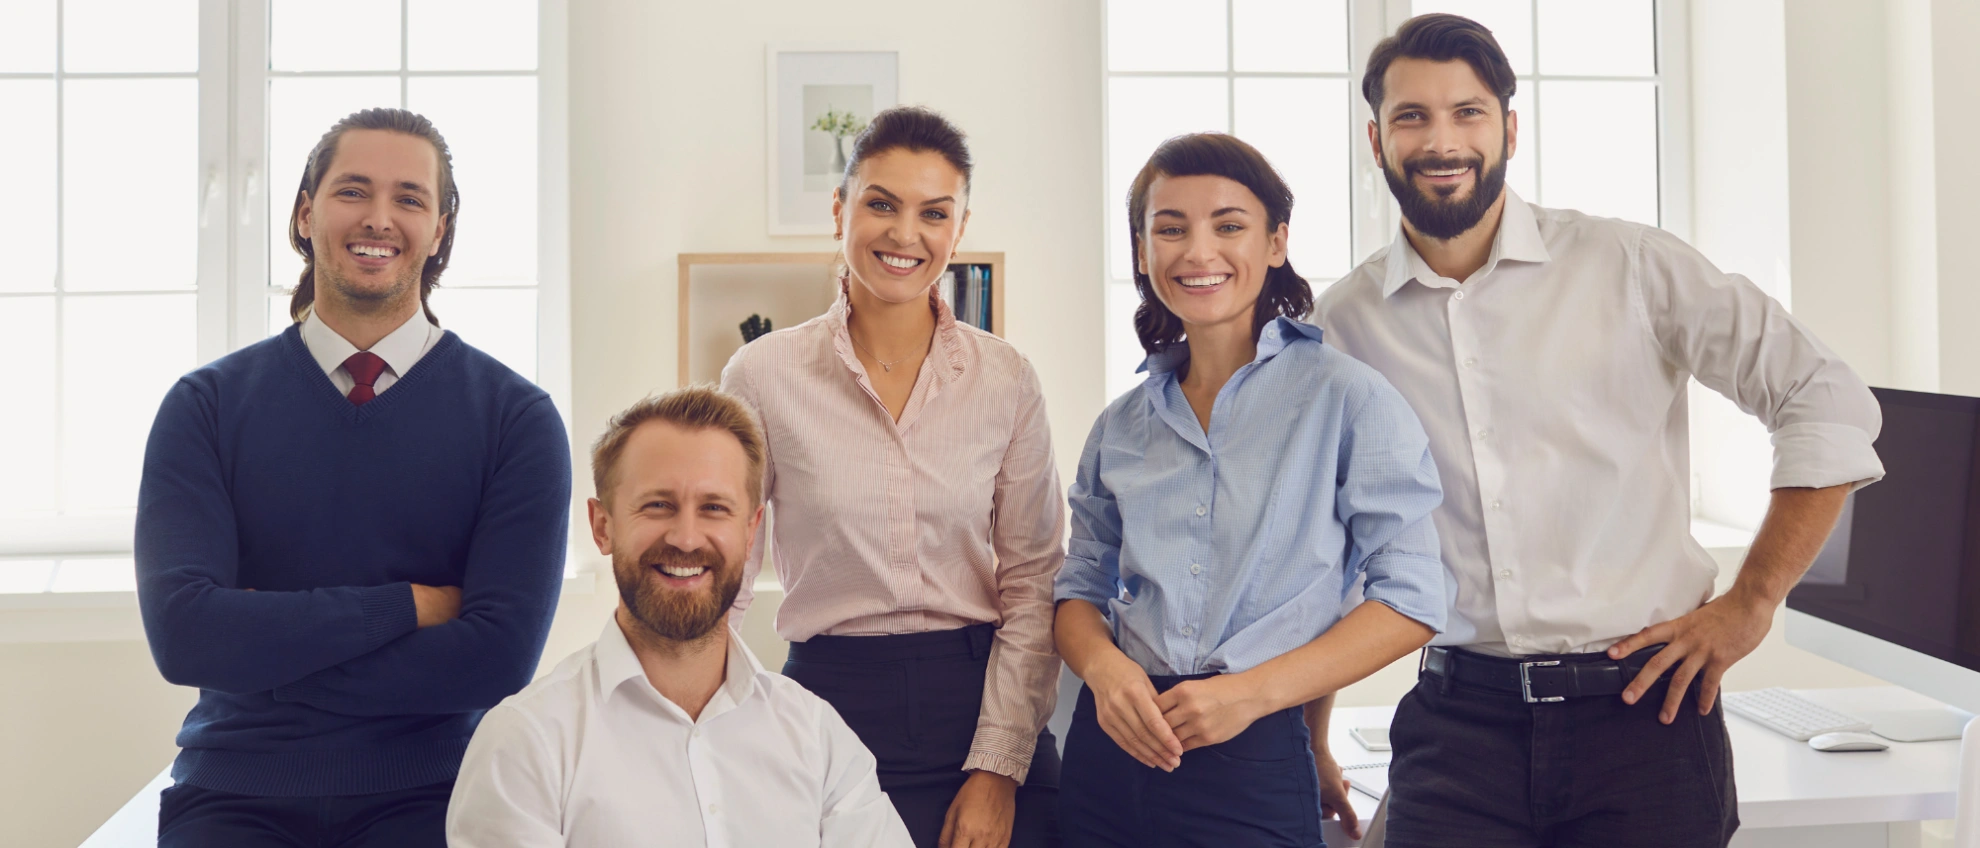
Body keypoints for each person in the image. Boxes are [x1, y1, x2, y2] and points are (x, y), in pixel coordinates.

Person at [1315, 14, 1885, 848]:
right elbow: (1322, 546)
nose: (1441, 141)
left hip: (1647, 714)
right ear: (1377, 140)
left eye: (1468, 113)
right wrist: (1311, 735)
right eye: (1412, 117)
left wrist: (1753, 602)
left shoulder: (1630, 266)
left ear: (1510, 130)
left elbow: (1825, 396)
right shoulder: (1340, 325)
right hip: (1458, 724)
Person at [135, 107, 572, 847]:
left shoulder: (515, 419)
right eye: (353, 191)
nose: (378, 218)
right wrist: (409, 606)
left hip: (434, 794)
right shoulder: (205, 406)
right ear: (306, 214)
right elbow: (185, 638)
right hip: (234, 790)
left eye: (409, 198)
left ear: (440, 230)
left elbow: (497, 659)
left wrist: (265, 649)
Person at [1053, 132, 1448, 847]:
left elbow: (1412, 600)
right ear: (1142, 252)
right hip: (1107, 749)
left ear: (1276, 243)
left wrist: (1250, 695)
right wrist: (1104, 669)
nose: (1198, 252)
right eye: (1171, 229)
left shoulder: (1347, 398)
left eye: (1229, 226)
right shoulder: (1121, 424)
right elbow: (1079, 585)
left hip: (1252, 747)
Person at [720, 106, 1065, 848]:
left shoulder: (1006, 379)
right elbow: (727, 571)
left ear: (959, 230)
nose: (905, 235)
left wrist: (999, 768)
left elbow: (1033, 579)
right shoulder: (761, 374)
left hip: (983, 705)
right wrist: (692, 721)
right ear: (840, 210)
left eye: (934, 213)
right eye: (881, 204)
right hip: (830, 707)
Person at [447, 388, 915, 848]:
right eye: (658, 505)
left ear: (750, 531)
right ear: (602, 526)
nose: (686, 538)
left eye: (714, 508)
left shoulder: (818, 736)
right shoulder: (524, 742)